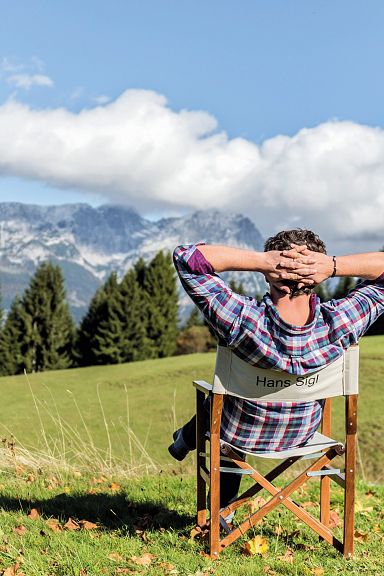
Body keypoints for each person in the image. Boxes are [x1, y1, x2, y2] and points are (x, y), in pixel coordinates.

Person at [168, 229, 384, 509]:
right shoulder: (341, 322)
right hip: (301, 433)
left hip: (240, 434)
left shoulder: (242, 318)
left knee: (223, 401)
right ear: (315, 277)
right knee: (230, 400)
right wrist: (331, 266)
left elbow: (186, 257)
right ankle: (185, 441)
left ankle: (220, 512)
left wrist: (264, 261)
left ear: (271, 274)